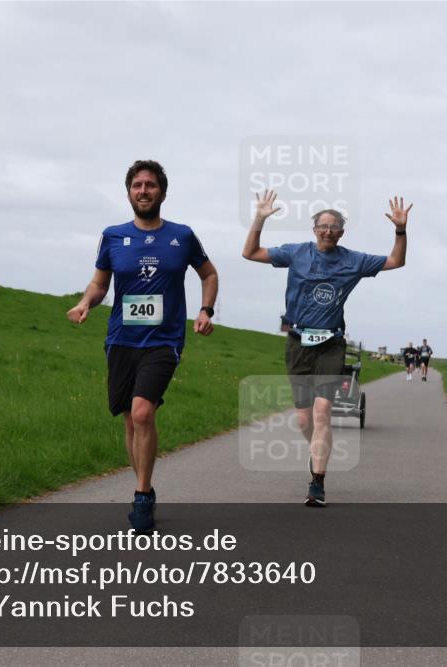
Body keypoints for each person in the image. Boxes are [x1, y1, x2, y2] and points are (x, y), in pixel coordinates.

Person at [67, 160, 218, 532]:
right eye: (137, 185)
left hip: (164, 340)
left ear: (162, 193)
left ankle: (140, 495)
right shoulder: (113, 236)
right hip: (121, 339)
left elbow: (209, 273)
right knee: (129, 420)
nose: (144, 191)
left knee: (141, 413)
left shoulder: (181, 236)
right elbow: (100, 283)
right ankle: (145, 487)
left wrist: (205, 309)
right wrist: (86, 302)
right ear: (129, 192)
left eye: (151, 185)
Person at [242, 190, 412, 506]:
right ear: (315, 229)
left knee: (323, 411)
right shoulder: (296, 253)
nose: (329, 231)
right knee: (305, 421)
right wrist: (260, 218)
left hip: (331, 343)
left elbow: (396, 261)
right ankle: (316, 451)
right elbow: (250, 253)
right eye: (324, 226)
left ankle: (317, 482)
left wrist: (400, 230)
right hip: (298, 342)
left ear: (342, 232)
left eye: (335, 227)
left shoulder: (353, 260)